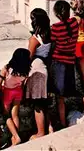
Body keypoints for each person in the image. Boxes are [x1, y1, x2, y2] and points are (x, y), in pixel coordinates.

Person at [49, 0, 79, 128]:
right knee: (71, 91)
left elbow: (53, 45)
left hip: (58, 63)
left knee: (59, 96)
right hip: (70, 62)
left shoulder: (55, 28)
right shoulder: (74, 23)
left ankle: (62, 123)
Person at [0, 48, 31, 146]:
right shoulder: (26, 70)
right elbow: (23, 84)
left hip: (7, 92)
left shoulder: (7, 68)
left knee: (6, 115)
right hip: (18, 92)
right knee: (15, 115)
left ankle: (16, 136)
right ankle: (14, 138)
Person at [26, 8, 52, 140]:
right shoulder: (49, 35)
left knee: (38, 104)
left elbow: (28, 57)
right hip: (45, 69)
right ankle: (49, 128)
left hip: (36, 71)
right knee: (45, 102)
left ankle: (41, 133)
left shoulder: (34, 39)